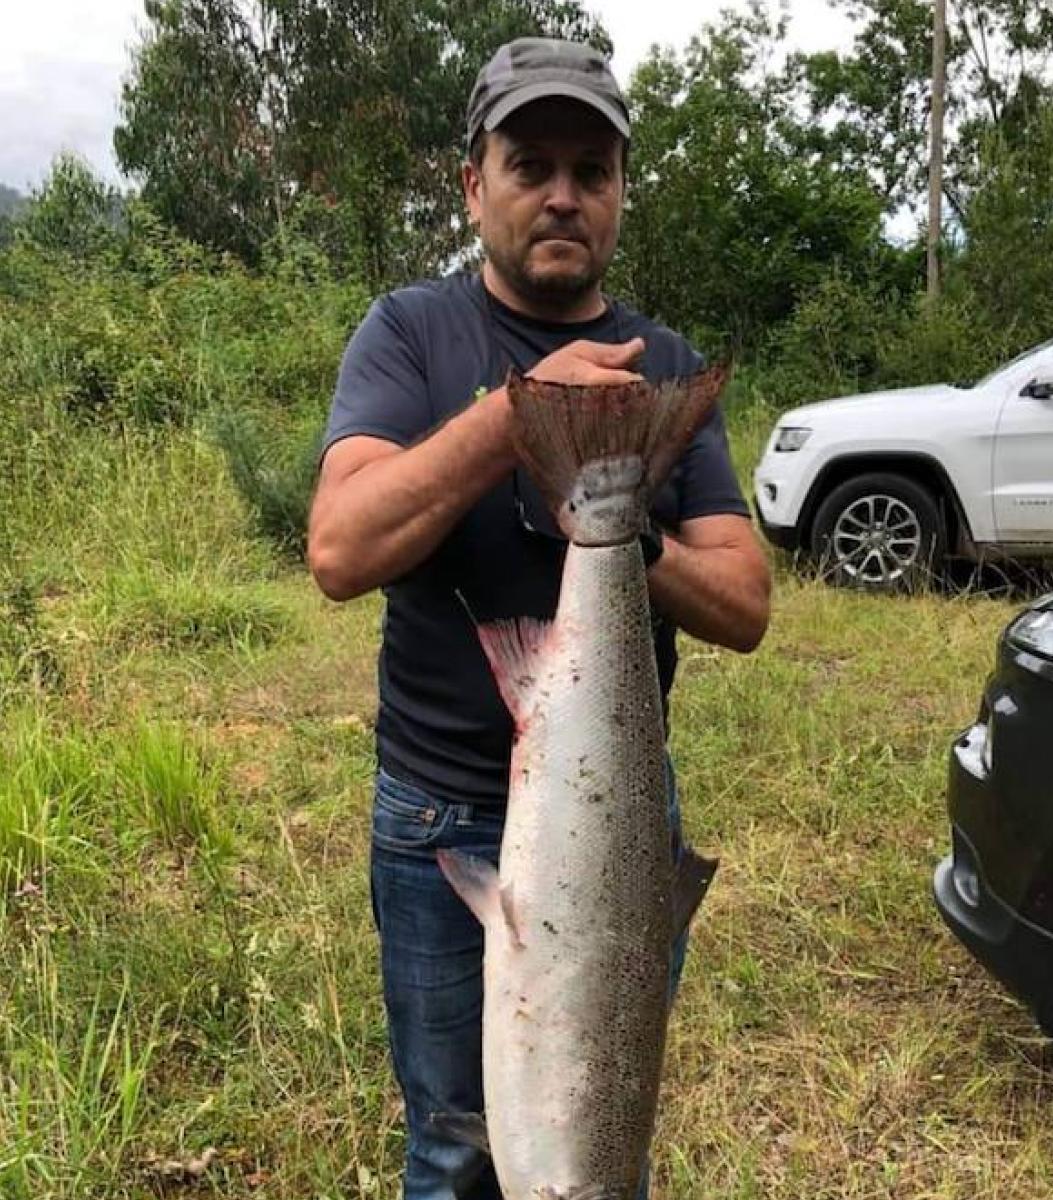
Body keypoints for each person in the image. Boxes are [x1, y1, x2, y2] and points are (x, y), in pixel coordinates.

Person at [307, 36, 771, 1200]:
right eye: (530, 164)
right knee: (458, 1140)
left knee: (597, 1125)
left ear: (619, 192)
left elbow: (747, 604)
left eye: (592, 168)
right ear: (475, 184)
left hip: (617, 825)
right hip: (435, 811)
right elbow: (338, 549)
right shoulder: (409, 333)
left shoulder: (660, 367)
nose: (563, 193)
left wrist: (617, 526)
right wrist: (512, 424)